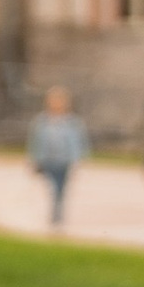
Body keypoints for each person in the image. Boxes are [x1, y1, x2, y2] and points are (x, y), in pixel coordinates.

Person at [28, 85, 87, 229]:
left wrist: (76, 160)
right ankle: (55, 215)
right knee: (52, 188)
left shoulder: (72, 122)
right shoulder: (42, 121)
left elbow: (77, 143)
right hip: (48, 161)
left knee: (60, 190)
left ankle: (57, 217)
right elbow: (35, 142)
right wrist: (35, 159)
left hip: (63, 162)